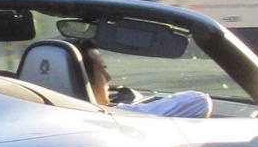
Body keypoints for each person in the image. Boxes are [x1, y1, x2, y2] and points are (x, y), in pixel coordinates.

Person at [78, 40, 212, 119]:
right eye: (101, 70)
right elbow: (199, 102)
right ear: (84, 81)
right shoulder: (117, 117)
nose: (109, 78)